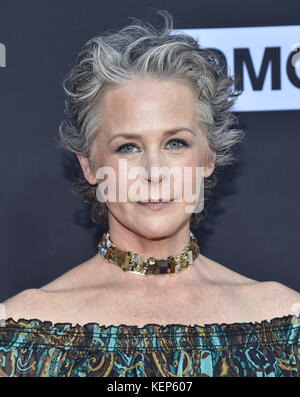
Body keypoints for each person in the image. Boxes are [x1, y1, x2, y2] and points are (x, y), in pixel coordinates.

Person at [0, 10, 299, 377]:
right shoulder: (19, 335)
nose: (154, 172)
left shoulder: (286, 322)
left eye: (175, 143)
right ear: (89, 166)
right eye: (128, 147)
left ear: (209, 157)